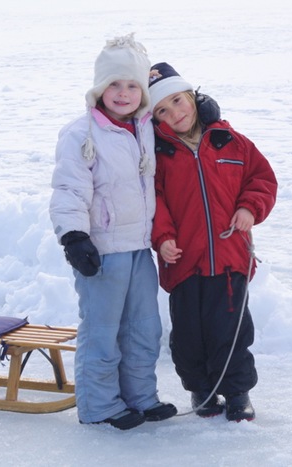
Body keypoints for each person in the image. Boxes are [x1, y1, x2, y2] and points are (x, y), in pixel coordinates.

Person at [49, 34, 176, 430]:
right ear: (99, 88)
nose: (123, 94)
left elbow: (183, 119)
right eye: (114, 84)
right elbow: (69, 189)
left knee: (144, 328)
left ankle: (141, 397)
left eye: (133, 85)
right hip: (102, 251)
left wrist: (205, 111)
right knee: (103, 332)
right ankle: (101, 405)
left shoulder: (147, 127)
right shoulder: (81, 134)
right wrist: (74, 236)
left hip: (139, 247)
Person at [147, 63, 278, 422]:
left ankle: (237, 393)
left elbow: (261, 179)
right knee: (189, 334)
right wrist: (163, 237)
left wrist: (249, 208)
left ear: (192, 96)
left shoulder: (231, 141)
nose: (175, 113)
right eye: (162, 110)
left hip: (230, 256)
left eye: (177, 101)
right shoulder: (159, 154)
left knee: (230, 330)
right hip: (184, 260)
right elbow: (153, 200)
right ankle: (201, 390)